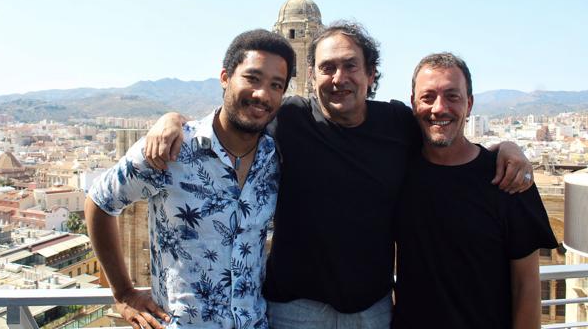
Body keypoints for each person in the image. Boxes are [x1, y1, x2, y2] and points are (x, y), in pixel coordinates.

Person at [144, 21, 534, 328]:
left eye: (351, 66)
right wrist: (172, 120)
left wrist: (507, 149)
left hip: (372, 309)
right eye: (327, 67)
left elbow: (445, 132)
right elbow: (236, 114)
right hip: (294, 309)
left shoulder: (397, 121)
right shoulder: (288, 117)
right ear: (312, 75)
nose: (339, 77)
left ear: (370, 75)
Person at [85, 29, 295, 329]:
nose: (263, 94)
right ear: (225, 77)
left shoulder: (276, 158)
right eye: (252, 78)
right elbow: (100, 201)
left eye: (276, 85)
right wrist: (123, 293)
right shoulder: (171, 149)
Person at [392, 53, 557, 329]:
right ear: (413, 104)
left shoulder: (508, 179)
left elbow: (526, 286)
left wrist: (509, 147)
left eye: (452, 97)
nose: (439, 108)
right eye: (428, 97)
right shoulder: (397, 172)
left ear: (469, 104)